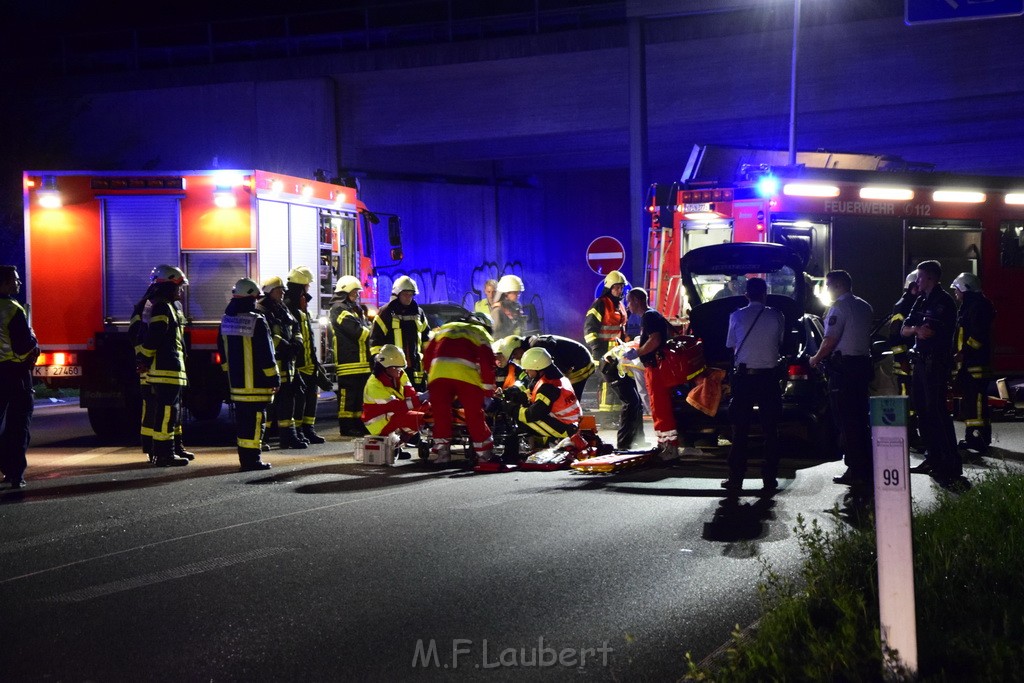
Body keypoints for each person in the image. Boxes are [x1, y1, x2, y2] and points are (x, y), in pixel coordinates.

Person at [902, 260, 968, 492]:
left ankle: (950, 463)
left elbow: (933, 333)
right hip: (919, 362)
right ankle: (932, 458)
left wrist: (919, 330)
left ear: (930, 278)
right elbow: (904, 329)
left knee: (937, 411)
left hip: (936, 363)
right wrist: (915, 330)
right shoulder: (921, 300)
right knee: (922, 410)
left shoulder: (944, 302)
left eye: (920, 277)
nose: (916, 281)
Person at [809, 270, 874, 489]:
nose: (826, 290)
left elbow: (830, 340)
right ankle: (866, 466)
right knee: (860, 419)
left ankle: (855, 469)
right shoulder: (865, 306)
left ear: (837, 285)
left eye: (828, 286)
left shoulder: (838, 308)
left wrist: (815, 359)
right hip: (862, 368)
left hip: (843, 371)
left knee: (846, 421)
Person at [721, 277, 785, 492]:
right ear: (765, 294)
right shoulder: (777, 316)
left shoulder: (737, 316)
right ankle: (770, 478)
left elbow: (731, 344)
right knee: (770, 430)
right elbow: (779, 342)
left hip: (744, 378)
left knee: (740, 429)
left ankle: (736, 478)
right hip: (769, 378)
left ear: (746, 294)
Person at [218, 278, 278, 471]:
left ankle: (245, 459)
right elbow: (265, 352)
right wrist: (273, 377)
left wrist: (230, 376)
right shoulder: (257, 321)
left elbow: (222, 351)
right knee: (256, 422)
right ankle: (253, 461)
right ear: (251, 298)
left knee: (244, 423)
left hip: (237, 384)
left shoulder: (226, 320)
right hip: (257, 384)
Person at [135, 265, 192, 467]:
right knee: (167, 412)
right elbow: (155, 336)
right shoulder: (162, 307)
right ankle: (164, 454)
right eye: (178, 286)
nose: (181, 291)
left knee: (169, 412)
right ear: (168, 286)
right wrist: (144, 359)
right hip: (165, 369)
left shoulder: (166, 306)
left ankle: (167, 451)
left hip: (169, 369)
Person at [423, 315, 497, 464]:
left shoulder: (443, 329)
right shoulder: (479, 332)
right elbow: (487, 364)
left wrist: (432, 377)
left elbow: (427, 356)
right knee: (474, 414)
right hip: (466, 376)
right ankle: (484, 455)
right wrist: (488, 393)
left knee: (441, 414)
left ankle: (442, 453)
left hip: (438, 375)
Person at [627, 287, 678, 459]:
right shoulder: (652, 315)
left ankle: (670, 447)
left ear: (636, 300)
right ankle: (664, 443)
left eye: (629, 301)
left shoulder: (648, 316)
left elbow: (655, 339)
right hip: (655, 366)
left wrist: (638, 352)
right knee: (657, 407)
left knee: (660, 407)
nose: (628, 305)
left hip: (655, 367)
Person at [0, 266, 39, 489]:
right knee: (18, 423)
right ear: (3, 283)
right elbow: (23, 346)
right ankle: (14, 473)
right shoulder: (13, 308)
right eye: (15, 280)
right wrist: (33, 341)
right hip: (14, 373)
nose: (18, 283)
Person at [258, 275, 306, 449]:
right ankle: (263, 438)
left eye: (283, 290)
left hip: (287, 365)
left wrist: (297, 342)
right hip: (274, 365)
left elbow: (295, 327)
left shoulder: (283, 308)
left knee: (287, 401)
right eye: (279, 290)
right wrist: (284, 345)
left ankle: (288, 437)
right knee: (269, 403)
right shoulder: (261, 310)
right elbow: (266, 335)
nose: (282, 293)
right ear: (269, 292)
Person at [951, 271, 996, 454]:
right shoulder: (972, 306)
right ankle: (976, 437)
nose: (955, 293)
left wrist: (963, 353)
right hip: (972, 363)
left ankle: (977, 438)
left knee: (976, 402)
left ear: (965, 288)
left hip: (975, 363)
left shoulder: (977, 307)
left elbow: (978, 336)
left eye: (957, 289)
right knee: (973, 401)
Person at [285, 266, 326, 445]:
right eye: (307, 284)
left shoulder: (301, 305)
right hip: (298, 364)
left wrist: (315, 360)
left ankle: (308, 429)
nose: (309, 287)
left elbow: (307, 334)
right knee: (299, 401)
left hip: (308, 362)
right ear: (301, 286)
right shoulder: (289, 306)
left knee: (310, 397)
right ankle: (299, 430)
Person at [510, 347, 582, 445]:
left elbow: (533, 414)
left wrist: (511, 409)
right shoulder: (555, 378)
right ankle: (544, 443)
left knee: (524, 419)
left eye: (528, 369)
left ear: (538, 368)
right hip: (571, 422)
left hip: (566, 428)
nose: (526, 371)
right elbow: (532, 394)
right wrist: (513, 396)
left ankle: (534, 445)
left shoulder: (548, 387)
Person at [370, 275, 431, 389]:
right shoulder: (386, 312)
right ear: (397, 294)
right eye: (405, 294)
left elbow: (425, 338)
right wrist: (379, 361)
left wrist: (428, 356)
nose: (408, 298)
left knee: (417, 399)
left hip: (415, 367)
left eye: (411, 294)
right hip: (393, 367)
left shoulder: (418, 313)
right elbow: (376, 340)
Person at [330, 275, 372, 437]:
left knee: (358, 396)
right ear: (344, 292)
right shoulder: (339, 309)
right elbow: (356, 331)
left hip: (360, 361)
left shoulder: (352, 308)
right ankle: (346, 426)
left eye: (357, 292)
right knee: (348, 396)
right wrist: (373, 333)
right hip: (348, 361)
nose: (356, 295)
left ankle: (358, 424)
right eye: (354, 292)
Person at [493, 333, 595, 400]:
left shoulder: (538, 347)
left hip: (581, 362)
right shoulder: (531, 347)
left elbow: (553, 370)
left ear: (517, 348)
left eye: (515, 355)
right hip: (571, 363)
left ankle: (573, 420)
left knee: (569, 395)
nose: (517, 359)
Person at [886, 271, 924, 450]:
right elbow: (894, 337)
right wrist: (902, 359)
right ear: (910, 287)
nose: (919, 289)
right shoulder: (901, 307)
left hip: (915, 363)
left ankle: (915, 434)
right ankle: (909, 436)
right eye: (916, 286)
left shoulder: (917, 303)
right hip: (905, 366)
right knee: (907, 403)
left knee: (915, 402)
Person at [362, 344, 428, 442]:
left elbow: (410, 394)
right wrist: (420, 398)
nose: (399, 370)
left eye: (400, 368)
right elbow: (396, 406)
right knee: (420, 418)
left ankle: (400, 442)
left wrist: (423, 399)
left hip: (393, 414)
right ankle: (397, 442)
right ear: (386, 367)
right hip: (379, 423)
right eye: (396, 368)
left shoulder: (399, 373)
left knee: (428, 408)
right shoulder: (374, 384)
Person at [128, 281, 158, 462]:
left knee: (155, 405)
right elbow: (135, 333)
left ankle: (154, 446)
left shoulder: (149, 305)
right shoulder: (147, 307)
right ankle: (150, 446)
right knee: (152, 404)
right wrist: (144, 358)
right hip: (150, 365)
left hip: (153, 363)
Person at [583, 270, 629, 359]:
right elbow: (589, 329)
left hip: (617, 352)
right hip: (602, 353)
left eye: (622, 287)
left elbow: (621, 329)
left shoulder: (620, 306)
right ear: (609, 288)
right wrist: (596, 348)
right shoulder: (600, 304)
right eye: (617, 287)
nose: (620, 290)